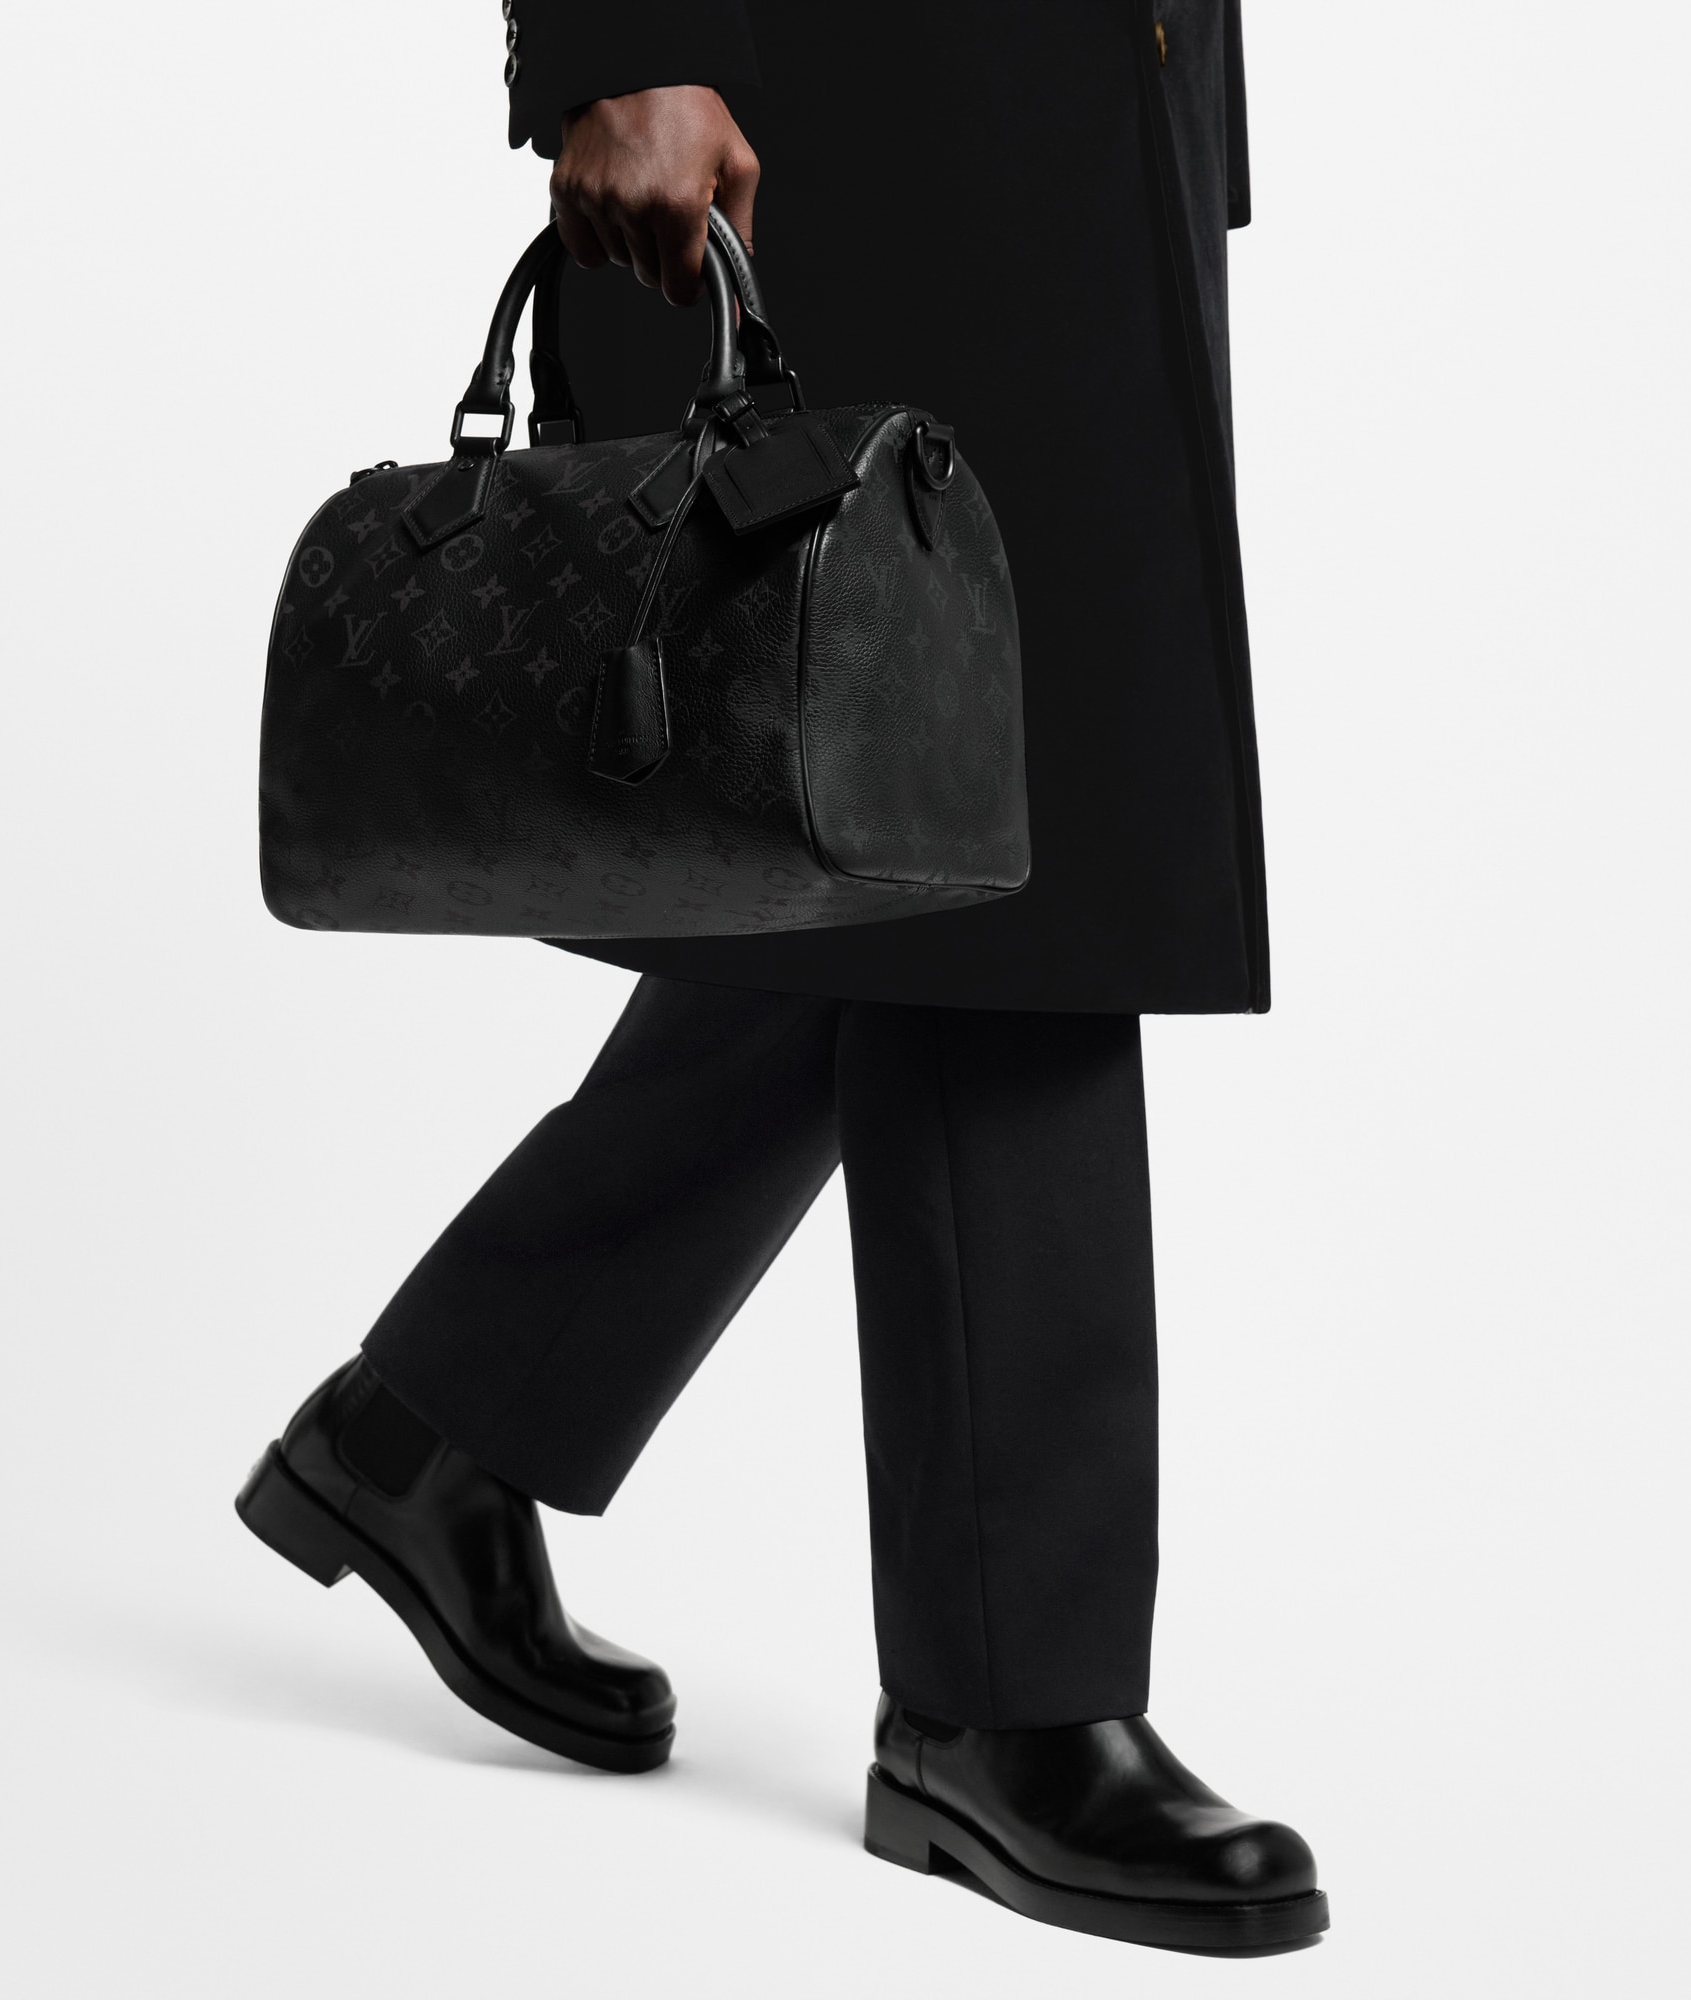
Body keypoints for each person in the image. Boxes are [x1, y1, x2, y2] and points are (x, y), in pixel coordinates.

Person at [237, 0, 1329, 1950]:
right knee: (1009, 855)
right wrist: (615, 40)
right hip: (837, 100)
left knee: (923, 832)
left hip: (1088, 106)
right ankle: (1009, 1702)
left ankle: (438, 1430)